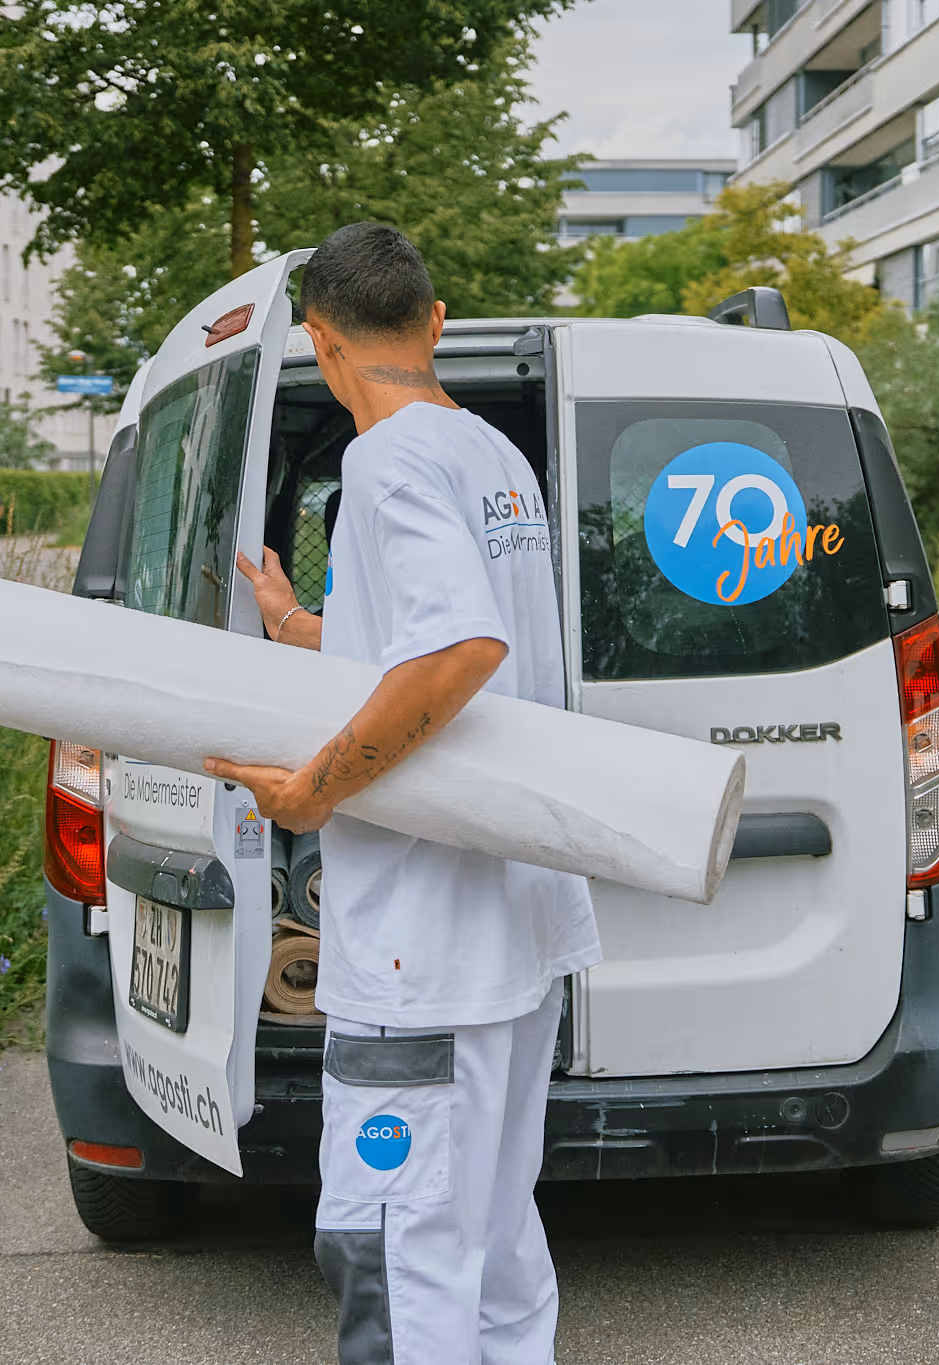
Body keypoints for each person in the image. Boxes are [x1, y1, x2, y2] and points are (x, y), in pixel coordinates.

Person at [204, 223, 600, 1365]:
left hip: (419, 951)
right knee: (491, 1229)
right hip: (517, 919)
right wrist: (290, 624)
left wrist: (311, 793)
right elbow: (417, 647)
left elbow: (459, 648)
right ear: (432, 325)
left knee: (397, 1244)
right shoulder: (491, 457)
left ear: (319, 342)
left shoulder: (380, 463)